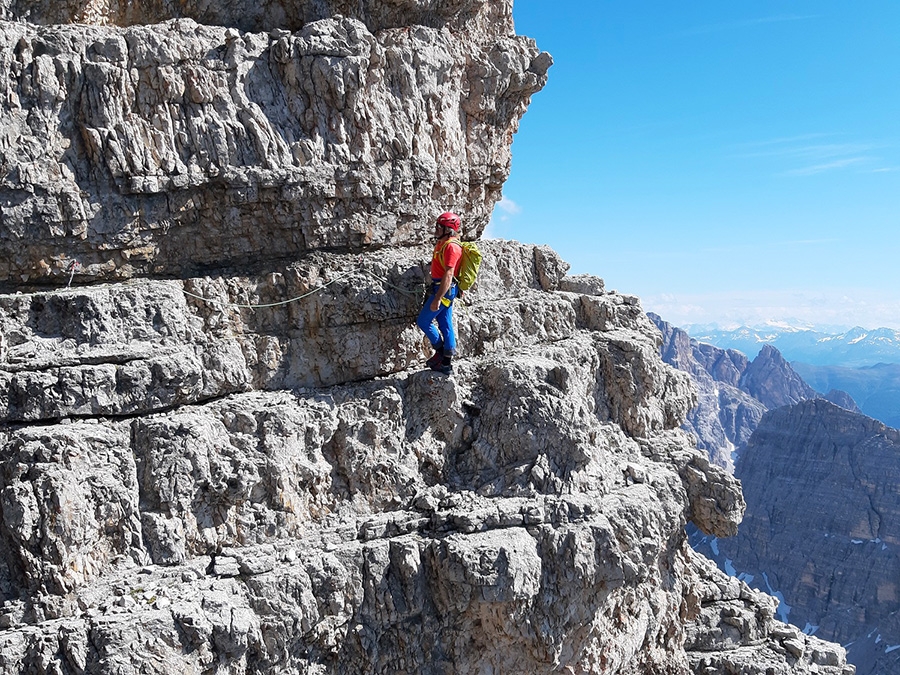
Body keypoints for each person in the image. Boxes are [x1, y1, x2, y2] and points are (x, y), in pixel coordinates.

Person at [416, 211, 463, 375]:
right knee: (444, 323)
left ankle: (442, 352)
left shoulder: (451, 247)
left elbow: (449, 274)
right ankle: (446, 363)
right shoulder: (443, 243)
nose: (436, 229)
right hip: (442, 289)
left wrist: (438, 298)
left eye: (439, 226)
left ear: (448, 229)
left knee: (423, 321)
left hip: (444, 290)